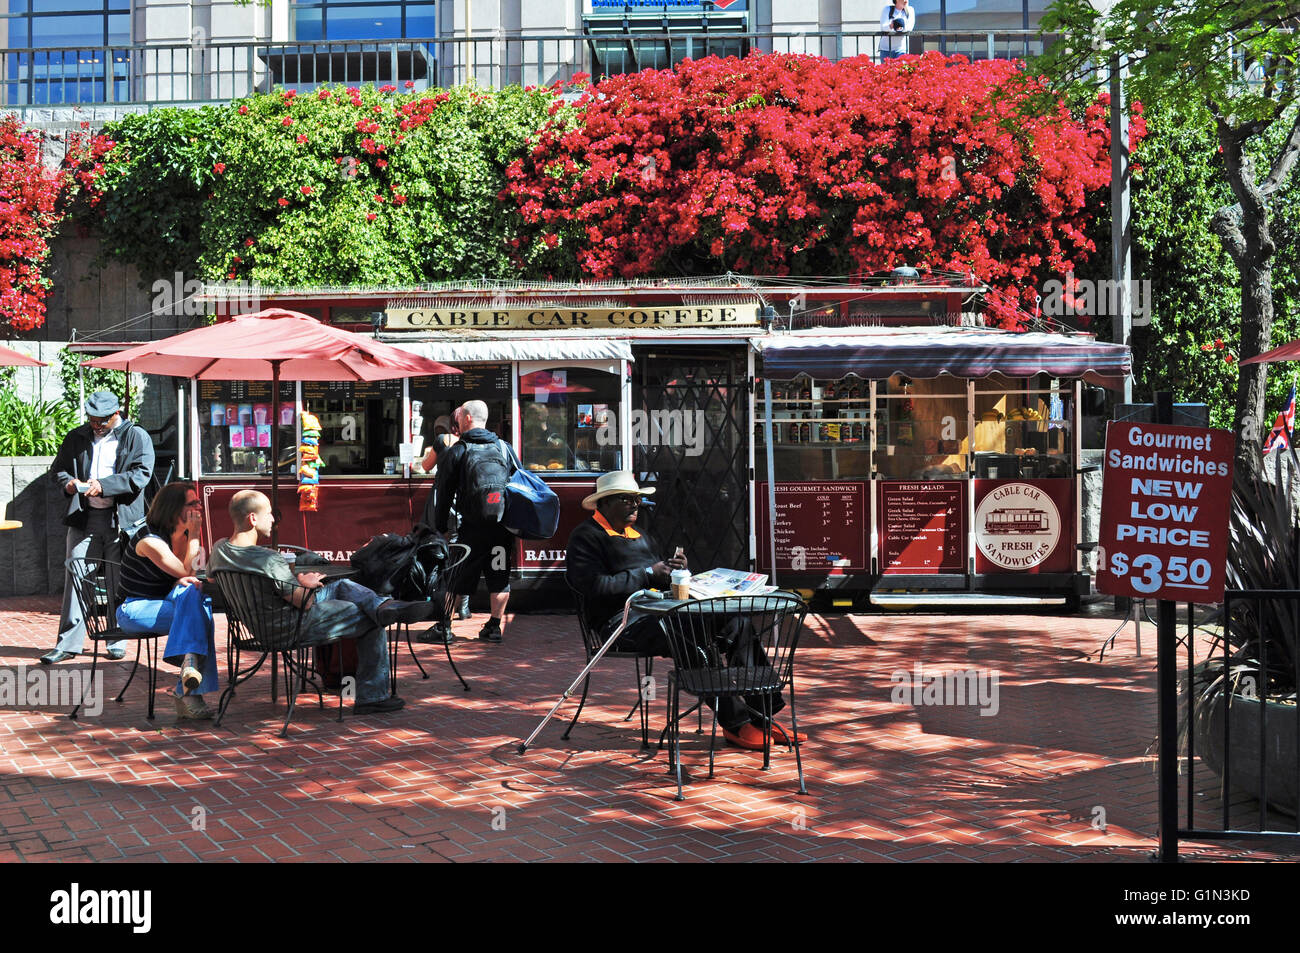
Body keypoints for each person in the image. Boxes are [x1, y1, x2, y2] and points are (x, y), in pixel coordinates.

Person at [565, 471, 806, 751]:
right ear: (604, 503)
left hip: (661, 613)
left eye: (638, 499)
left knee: (736, 623)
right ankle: (735, 723)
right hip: (621, 624)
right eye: (627, 499)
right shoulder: (585, 537)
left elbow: (657, 577)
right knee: (688, 634)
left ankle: (762, 716)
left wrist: (674, 572)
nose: (635, 505)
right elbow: (591, 585)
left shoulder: (639, 535)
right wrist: (646, 573)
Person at [208, 490, 434, 715]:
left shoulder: (219, 550)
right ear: (253, 518)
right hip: (288, 625)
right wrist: (304, 582)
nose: (274, 519)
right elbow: (304, 604)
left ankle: (384, 605)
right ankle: (372, 696)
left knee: (342, 586)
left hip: (258, 625)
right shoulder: (268, 559)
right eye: (269, 513)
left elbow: (210, 577)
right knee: (368, 616)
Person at [43, 391, 155, 665]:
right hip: (85, 517)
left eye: (102, 420)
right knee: (77, 577)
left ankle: (116, 638)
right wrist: (69, 483)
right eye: (92, 420)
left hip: (122, 520)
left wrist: (104, 484)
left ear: (116, 414)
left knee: (119, 580)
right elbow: (58, 470)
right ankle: (68, 643)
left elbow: (141, 474)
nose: (96, 425)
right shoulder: (76, 437)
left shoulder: (135, 436)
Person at [115, 482, 219, 721]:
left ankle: (189, 666)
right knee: (201, 615)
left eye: (198, 502)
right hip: (134, 609)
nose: (199, 506)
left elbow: (191, 574)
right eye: (192, 503)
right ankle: (188, 689)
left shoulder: (180, 536)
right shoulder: (148, 539)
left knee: (194, 595)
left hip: (165, 603)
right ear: (173, 509)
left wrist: (186, 576)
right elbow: (185, 570)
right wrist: (194, 534)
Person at [432, 400, 512, 643]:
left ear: (467, 418)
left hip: (471, 528)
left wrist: (440, 527)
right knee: (500, 576)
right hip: (502, 526)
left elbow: (443, 492)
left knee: (458, 577)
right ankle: (495, 627)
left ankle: (445, 626)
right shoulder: (504, 448)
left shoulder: (458, 450)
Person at [418, 415, 470, 636]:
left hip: (443, 498)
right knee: (460, 551)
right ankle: (464, 606)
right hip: (464, 500)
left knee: (440, 549)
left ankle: (440, 607)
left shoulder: (441, 441)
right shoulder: (469, 445)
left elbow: (425, 466)